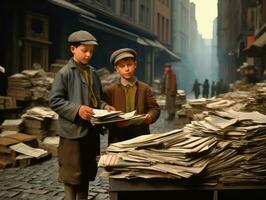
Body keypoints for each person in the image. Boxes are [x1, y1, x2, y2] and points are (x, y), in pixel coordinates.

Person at [49, 30, 114, 200]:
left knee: (85, 173)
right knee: (72, 176)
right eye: (84, 50)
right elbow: (55, 101)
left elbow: (96, 99)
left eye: (91, 51)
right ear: (73, 49)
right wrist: (77, 109)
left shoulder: (92, 73)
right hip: (72, 134)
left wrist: (105, 106)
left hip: (90, 133)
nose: (88, 54)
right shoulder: (65, 73)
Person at [104, 48, 160, 144]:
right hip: (118, 138)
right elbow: (105, 115)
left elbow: (155, 108)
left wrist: (150, 116)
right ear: (116, 69)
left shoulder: (145, 88)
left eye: (129, 64)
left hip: (141, 135)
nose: (126, 69)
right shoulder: (110, 91)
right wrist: (114, 123)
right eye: (122, 66)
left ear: (135, 65)